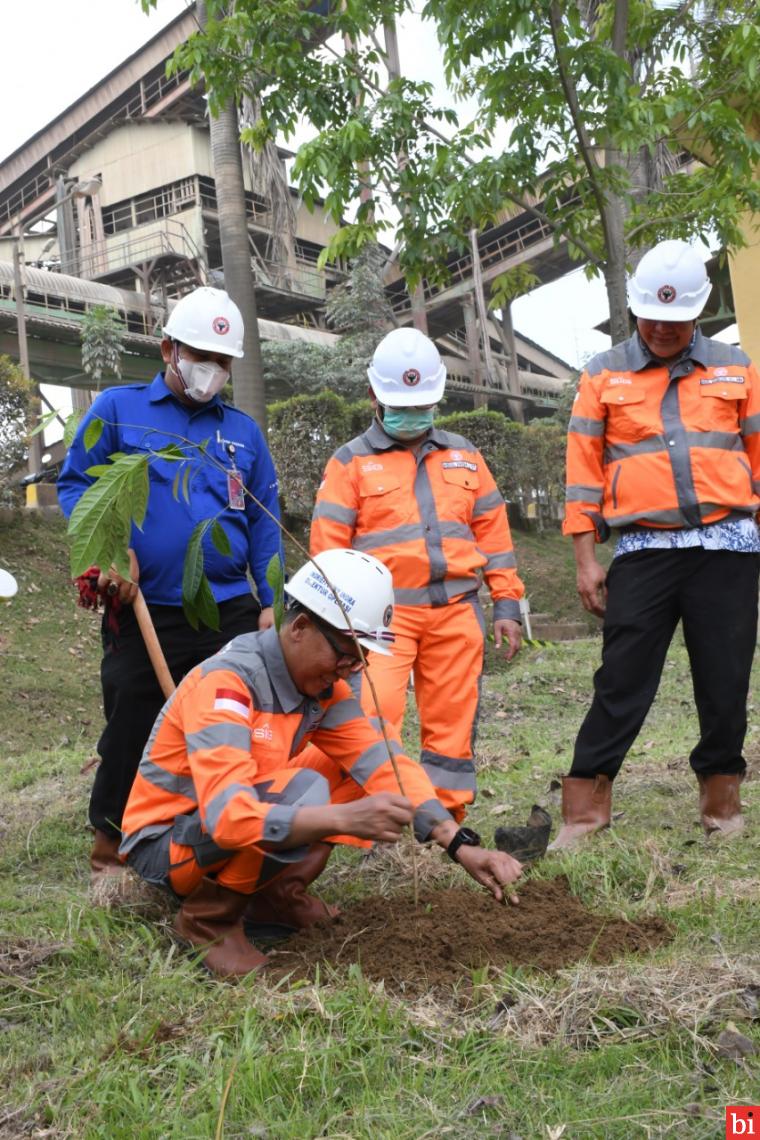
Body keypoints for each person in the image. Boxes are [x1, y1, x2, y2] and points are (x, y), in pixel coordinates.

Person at [118, 549, 524, 977]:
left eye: (361, 659)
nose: (350, 669)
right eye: (346, 655)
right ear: (300, 627)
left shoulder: (322, 692)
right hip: (168, 845)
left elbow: (384, 764)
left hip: (224, 826)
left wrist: (459, 844)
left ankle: (276, 898)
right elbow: (227, 819)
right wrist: (339, 818)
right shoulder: (229, 685)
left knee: (353, 768)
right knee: (304, 791)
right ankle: (208, 922)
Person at [58, 287, 282, 881]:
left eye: (223, 360)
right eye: (200, 354)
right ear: (168, 349)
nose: (212, 369)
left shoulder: (243, 434)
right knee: (133, 719)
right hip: (143, 608)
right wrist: (107, 551)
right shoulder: (116, 408)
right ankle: (111, 845)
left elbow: (263, 520)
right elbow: (77, 484)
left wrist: (272, 603)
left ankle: (219, 837)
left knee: (235, 723)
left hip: (230, 610)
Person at [553, 239, 760, 848]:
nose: (662, 330)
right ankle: (585, 810)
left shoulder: (736, 366)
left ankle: (722, 804)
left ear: (698, 313)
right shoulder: (603, 373)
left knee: (724, 680)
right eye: (651, 318)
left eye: (675, 321)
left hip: (728, 551)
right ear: (635, 311)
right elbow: (582, 473)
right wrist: (587, 560)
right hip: (643, 549)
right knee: (621, 678)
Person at [309, 327, 525, 821]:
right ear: (374, 396)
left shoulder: (465, 456)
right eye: (402, 403)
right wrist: (334, 627)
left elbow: (494, 538)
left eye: (423, 403)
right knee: (372, 717)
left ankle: (444, 822)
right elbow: (328, 551)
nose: (414, 414)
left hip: (455, 614)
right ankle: (372, 821)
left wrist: (507, 604)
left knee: (451, 726)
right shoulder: (350, 464)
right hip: (379, 624)